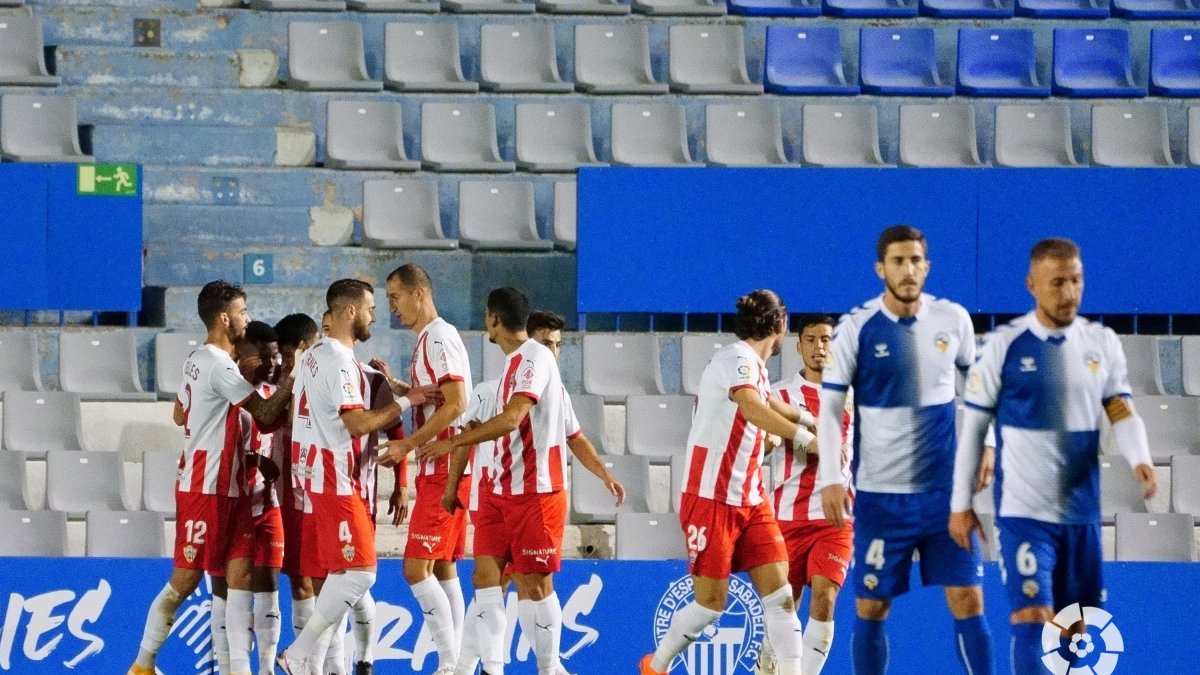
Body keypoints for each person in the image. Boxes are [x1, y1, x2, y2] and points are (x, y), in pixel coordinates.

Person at [949, 238, 1157, 675]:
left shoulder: (1101, 342)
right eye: (1057, 282)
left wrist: (1140, 456)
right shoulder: (1004, 346)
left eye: (1076, 281)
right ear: (1032, 285)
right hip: (1023, 513)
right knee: (1031, 618)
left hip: (1080, 515)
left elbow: (1120, 407)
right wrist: (960, 504)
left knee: (1074, 629)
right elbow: (974, 426)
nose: (1069, 293)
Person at [817, 225, 993, 675]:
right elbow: (831, 406)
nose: (908, 270)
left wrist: (988, 443)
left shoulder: (953, 319)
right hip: (880, 497)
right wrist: (831, 478)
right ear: (881, 268)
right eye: (898, 261)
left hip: (944, 496)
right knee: (873, 607)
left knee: (968, 598)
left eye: (916, 260)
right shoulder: (855, 328)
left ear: (927, 266)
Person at [418, 288, 618, 675]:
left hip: (536, 493)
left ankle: (549, 668)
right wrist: (452, 482)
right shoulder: (507, 370)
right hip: (496, 492)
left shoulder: (536, 359)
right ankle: (487, 669)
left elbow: (514, 420)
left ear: (493, 319)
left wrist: (454, 442)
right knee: (485, 581)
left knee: (535, 587)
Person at [641, 290, 814, 675]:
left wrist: (808, 420)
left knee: (782, 597)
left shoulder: (755, 368)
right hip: (710, 496)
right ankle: (656, 665)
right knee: (709, 606)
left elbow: (771, 406)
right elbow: (753, 406)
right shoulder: (736, 359)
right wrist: (805, 439)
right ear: (781, 326)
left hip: (750, 499)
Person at [128, 280, 293, 675]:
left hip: (231, 488)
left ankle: (238, 669)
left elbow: (179, 414)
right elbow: (267, 416)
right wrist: (293, 377)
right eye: (242, 312)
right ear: (224, 318)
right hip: (205, 489)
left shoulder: (198, 360)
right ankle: (142, 664)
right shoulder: (219, 366)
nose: (246, 318)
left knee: (240, 580)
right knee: (184, 581)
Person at [278, 279, 431, 675]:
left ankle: (319, 665)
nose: (375, 315)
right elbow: (357, 424)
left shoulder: (314, 355)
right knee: (361, 572)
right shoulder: (341, 363)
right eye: (370, 307)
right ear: (350, 312)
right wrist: (405, 400)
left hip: (316, 478)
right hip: (336, 480)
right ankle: (300, 653)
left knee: (341, 579)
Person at [376, 263, 473, 675]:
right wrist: (401, 387)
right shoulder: (429, 340)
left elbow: (457, 403)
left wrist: (408, 445)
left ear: (419, 293)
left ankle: (450, 663)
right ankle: (462, 663)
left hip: (444, 465)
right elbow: (438, 397)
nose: (391, 307)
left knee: (415, 568)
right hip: (450, 467)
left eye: (395, 297)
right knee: (444, 565)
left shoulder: (437, 337)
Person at [767, 314, 854, 675]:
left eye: (827, 339)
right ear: (799, 346)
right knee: (787, 607)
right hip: (787, 515)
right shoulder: (779, 395)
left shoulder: (854, 397)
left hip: (836, 518)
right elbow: (766, 439)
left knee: (825, 597)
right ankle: (767, 662)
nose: (820, 346)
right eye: (812, 339)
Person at [234, 321, 288, 675]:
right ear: (244, 354)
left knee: (269, 584)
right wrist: (255, 460)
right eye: (263, 356)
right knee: (234, 592)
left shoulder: (275, 394)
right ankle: (234, 666)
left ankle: (267, 668)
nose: (270, 363)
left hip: (268, 504)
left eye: (275, 356)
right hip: (234, 506)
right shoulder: (229, 391)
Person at [272, 313, 321, 665]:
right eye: (283, 357)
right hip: (282, 494)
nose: (286, 363)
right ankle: (303, 661)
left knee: (324, 583)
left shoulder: (326, 378)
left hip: (316, 492)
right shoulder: (279, 380)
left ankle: (316, 661)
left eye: (291, 356)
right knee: (295, 581)